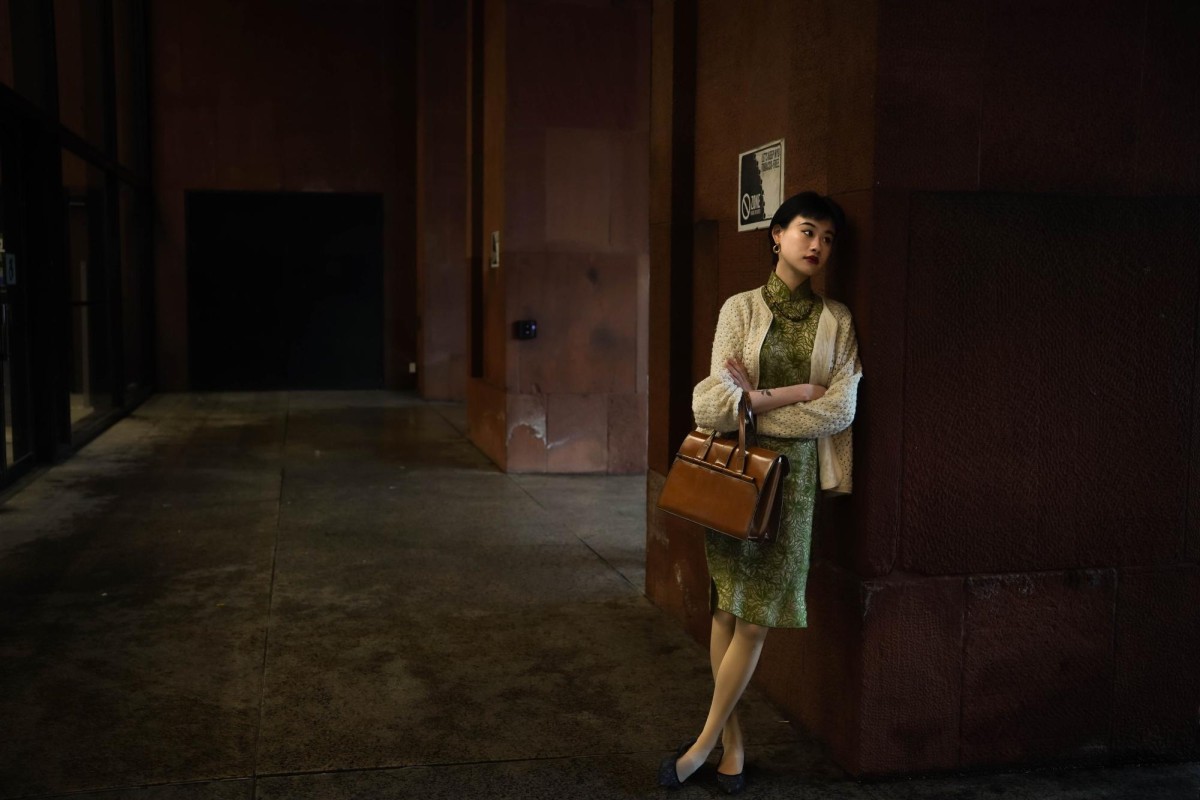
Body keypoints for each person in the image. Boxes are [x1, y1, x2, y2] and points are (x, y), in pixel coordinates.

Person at [658, 191, 862, 794]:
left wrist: (759, 403)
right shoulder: (739, 310)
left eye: (827, 238)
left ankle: (698, 747)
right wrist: (798, 391)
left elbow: (840, 410)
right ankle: (734, 747)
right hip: (736, 476)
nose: (816, 246)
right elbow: (710, 402)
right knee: (726, 607)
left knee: (756, 622)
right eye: (806, 231)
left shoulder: (838, 321)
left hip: (793, 488)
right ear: (776, 234)